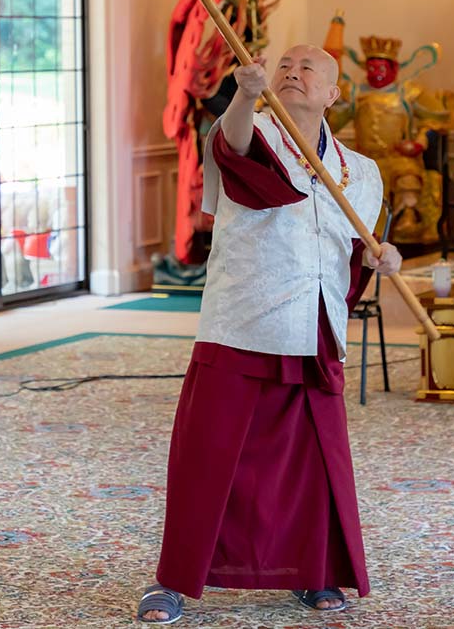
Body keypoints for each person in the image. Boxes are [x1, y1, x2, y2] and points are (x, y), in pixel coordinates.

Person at [136, 44, 401, 624]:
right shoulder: (245, 132)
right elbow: (233, 149)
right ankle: (173, 580)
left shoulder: (361, 172)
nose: (293, 72)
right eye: (285, 65)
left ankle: (312, 571)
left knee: (311, 462)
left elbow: (351, 251)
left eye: (308, 68)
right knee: (207, 454)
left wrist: (381, 257)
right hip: (243, 317)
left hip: (314, 324)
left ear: (333, 94)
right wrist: (245, 94)